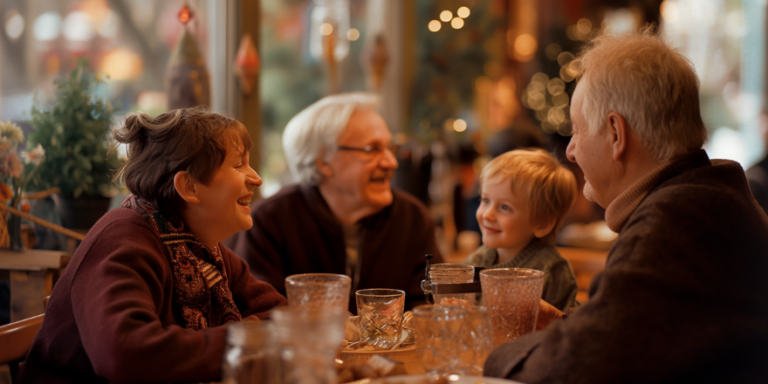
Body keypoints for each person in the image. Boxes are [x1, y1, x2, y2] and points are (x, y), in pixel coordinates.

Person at [484, 30, 768, 383]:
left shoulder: (675, 224)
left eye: (576, 131)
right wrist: (569, 327)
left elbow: (576, 369)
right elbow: (649, 335)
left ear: (616, 133)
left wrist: (488, 350)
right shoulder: (705, 199)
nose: (570, 151)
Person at [18, 107, 287, 384]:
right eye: (238, 165)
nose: (257, 178)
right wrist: (250, 338)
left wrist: (254, 333)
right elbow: (125, 356)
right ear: (190, 186)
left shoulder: (201, 247)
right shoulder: (122, 239)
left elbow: (286, 317)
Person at [227, 93, 443, 312]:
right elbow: (259, 311)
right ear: (323, 161)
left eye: (390, 147)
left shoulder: (412, 219)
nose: (391, 162)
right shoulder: (270, 220)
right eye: (372, 149)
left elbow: (430, 305)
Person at [464, 148, 578, 311]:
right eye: (485, 200)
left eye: (504, 207)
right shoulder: (478, 259)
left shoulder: (551, 270)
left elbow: (563, 327)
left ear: (542, 224)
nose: (487, 214)